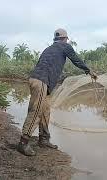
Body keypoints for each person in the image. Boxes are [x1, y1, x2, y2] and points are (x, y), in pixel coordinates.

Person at [17, 28, 97, 156]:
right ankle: (23, 143)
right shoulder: (65, 46)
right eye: (66, 39)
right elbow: (76, 60)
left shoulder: (48, 49)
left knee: (45, 111)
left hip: (40, 81)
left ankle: (43, 139)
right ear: (65, 39)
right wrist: (89, 71)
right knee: (36, 111)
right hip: (41, 81)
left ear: (55, 39)